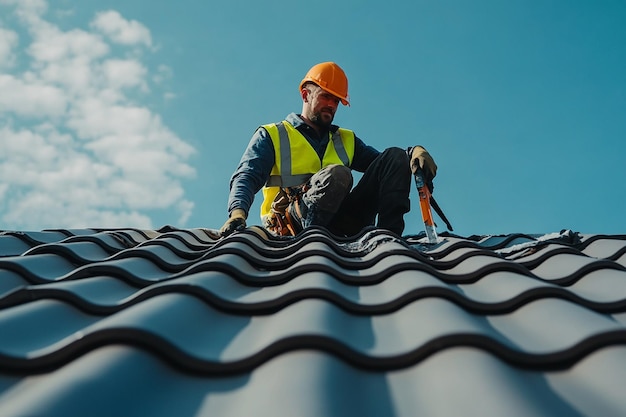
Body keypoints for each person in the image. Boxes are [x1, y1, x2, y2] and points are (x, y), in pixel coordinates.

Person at [220, 62, 437, 238]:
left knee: (395, 157)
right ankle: (313, 239)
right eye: (325, 96)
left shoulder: (345, 139)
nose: (331, 105)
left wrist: (412, 153)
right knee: (338, 174)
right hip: (293, 225)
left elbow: (387, 166)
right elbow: (247, 176)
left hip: (343, 223)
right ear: (305, 95)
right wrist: (238, 213)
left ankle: (390, 240)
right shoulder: (273, 134)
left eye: (336, 100)